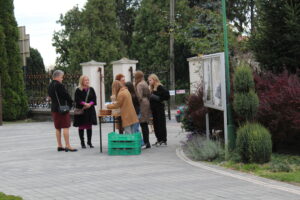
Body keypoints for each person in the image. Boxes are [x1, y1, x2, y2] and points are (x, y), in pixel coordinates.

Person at [48, 70, 77, 152]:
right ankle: (67, 145)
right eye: (61, 77)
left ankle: (59, 145)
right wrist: (71, 102)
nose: (62, 79)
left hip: (54, 108)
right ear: (57, 77)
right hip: (62, 109)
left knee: (57, 127)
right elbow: (66, 95)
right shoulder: (59, 85)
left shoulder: (50, 85)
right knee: (65, 126)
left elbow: (50, 96)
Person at [73, 75, 97, 149]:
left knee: (89, 126)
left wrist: (90, 104)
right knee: (81, 126)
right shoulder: (78, 90)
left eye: (88, 80)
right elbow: (77, 99)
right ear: (82, 81)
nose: (87, 81)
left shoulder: (91, 89)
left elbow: (94, 98)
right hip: (82, 110)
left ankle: (89, 142)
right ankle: (82, 142)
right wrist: (85, 104)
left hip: (90, 110)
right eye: (85, 80)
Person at [148, 74, 170, 146]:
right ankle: (159, 139)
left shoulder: (159, 86)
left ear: (154, 80)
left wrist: (158, 98)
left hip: (159, 108)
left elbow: (167, 95)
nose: (149, 81)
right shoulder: (151, 87)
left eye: (150, 80)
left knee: (161, 124)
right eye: (149, 80)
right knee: (156, 124)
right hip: (154, 109)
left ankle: (163, 140)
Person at [134, 71, 152, 148]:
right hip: (146, 102)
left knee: (143, 123)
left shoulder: (139, 84)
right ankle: (147, 142)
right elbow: (149, 94)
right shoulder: (145, 83)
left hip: (142, 104)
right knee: (145, 123)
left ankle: (146, 142)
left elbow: (139, 96)